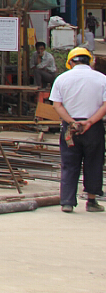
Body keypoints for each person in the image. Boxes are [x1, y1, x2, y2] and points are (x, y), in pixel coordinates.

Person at [49, 47, 106, 213]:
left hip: (71, 129)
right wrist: (89, 122)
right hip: (93, 128)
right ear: (90, 62)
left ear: (71, 62)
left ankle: (67, 202)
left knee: (69, 164)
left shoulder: (61, 79)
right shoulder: (102, 79)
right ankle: (92, 201)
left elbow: (57, 105)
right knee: (94, 163)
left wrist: (71, 122)